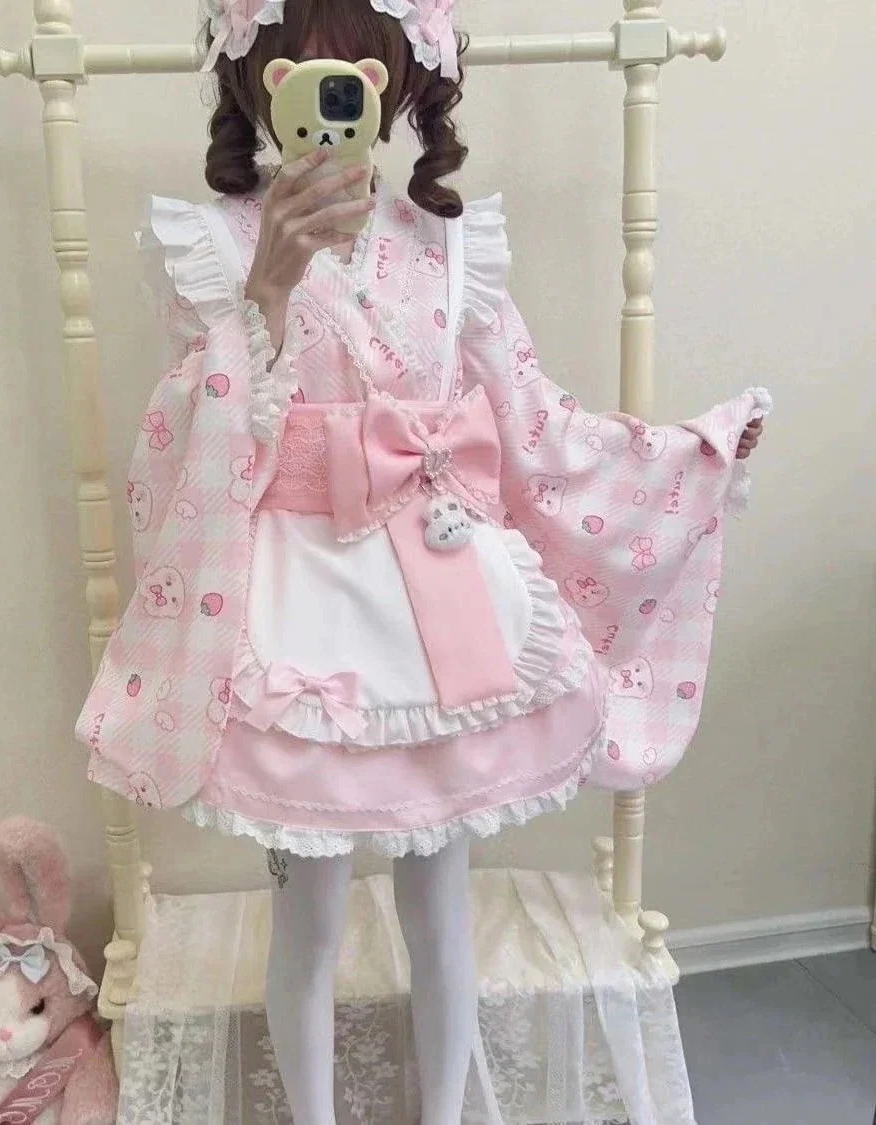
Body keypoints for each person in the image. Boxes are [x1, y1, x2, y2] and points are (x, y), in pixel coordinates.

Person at [77, 2, 767, 1121]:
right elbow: (188, 441)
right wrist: (266, 292)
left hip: (443, 593)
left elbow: (533, 425)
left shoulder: (451, 251)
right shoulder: (215, 246)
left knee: (442, 909)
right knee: (308, 916)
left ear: (402, 81)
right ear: (257, 82)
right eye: (299, 69)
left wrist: (679, 458)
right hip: (299, 598)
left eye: (358, 68)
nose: (330, 96)